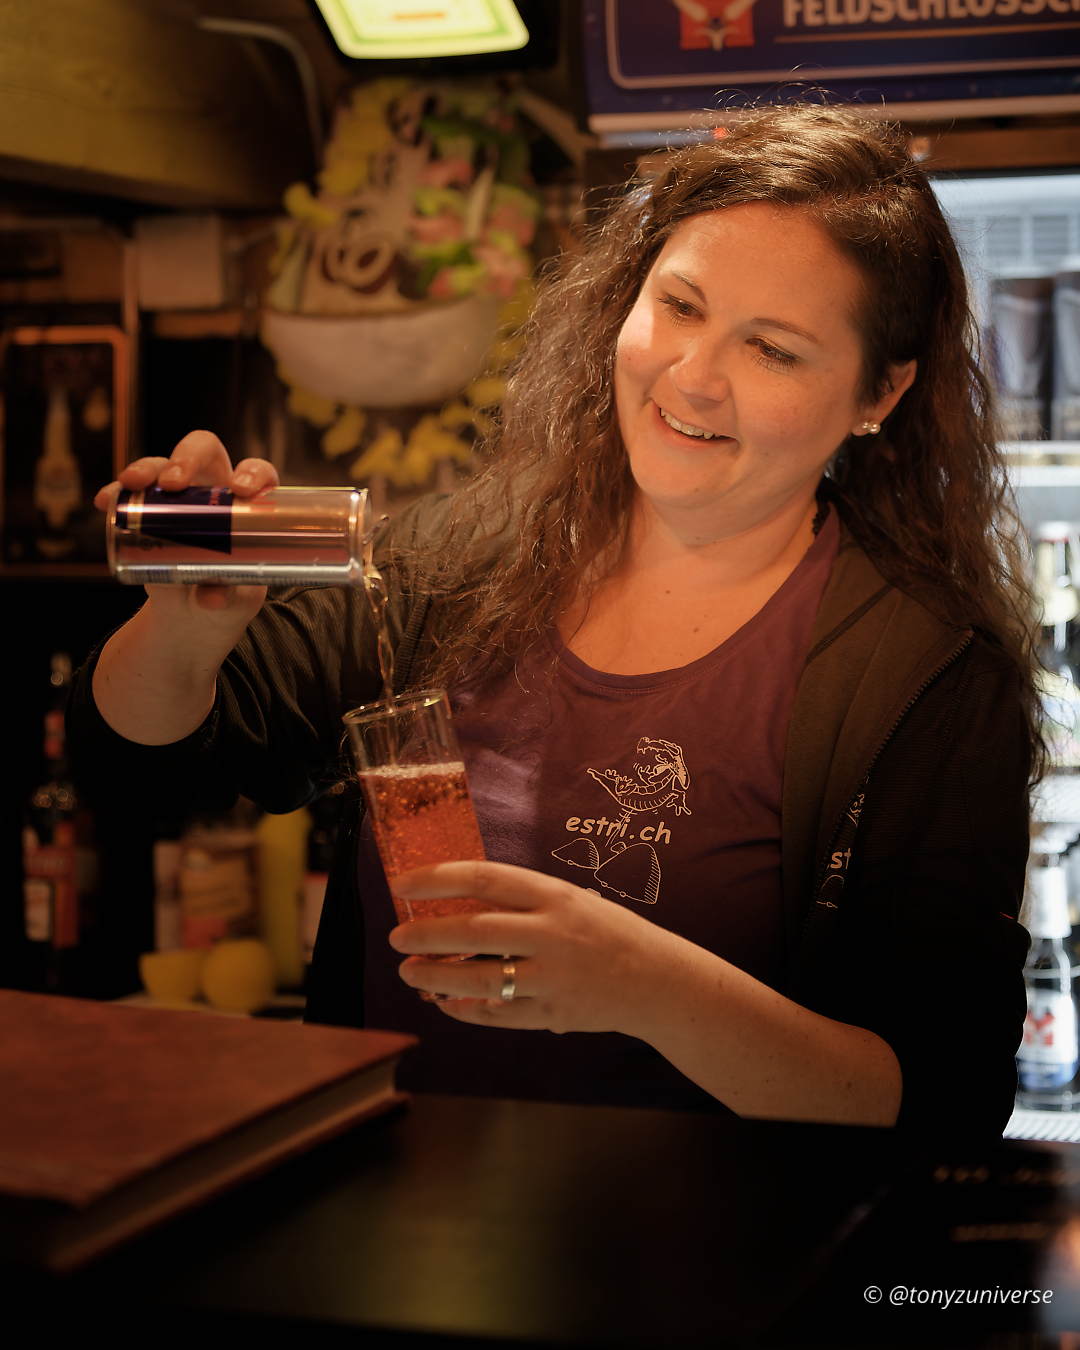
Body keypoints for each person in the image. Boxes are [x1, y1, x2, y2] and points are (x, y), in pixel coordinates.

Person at [71, 103, 1038, 1138]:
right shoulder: (461, 560)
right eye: (680, 305)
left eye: (772, 350)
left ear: (879, 392)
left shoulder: (929, 676)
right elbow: (151, 761)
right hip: (395, 1217)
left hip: (720, 1242)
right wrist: (188, 625)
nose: (693, 376)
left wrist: (646, 985)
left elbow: (946, 1095)